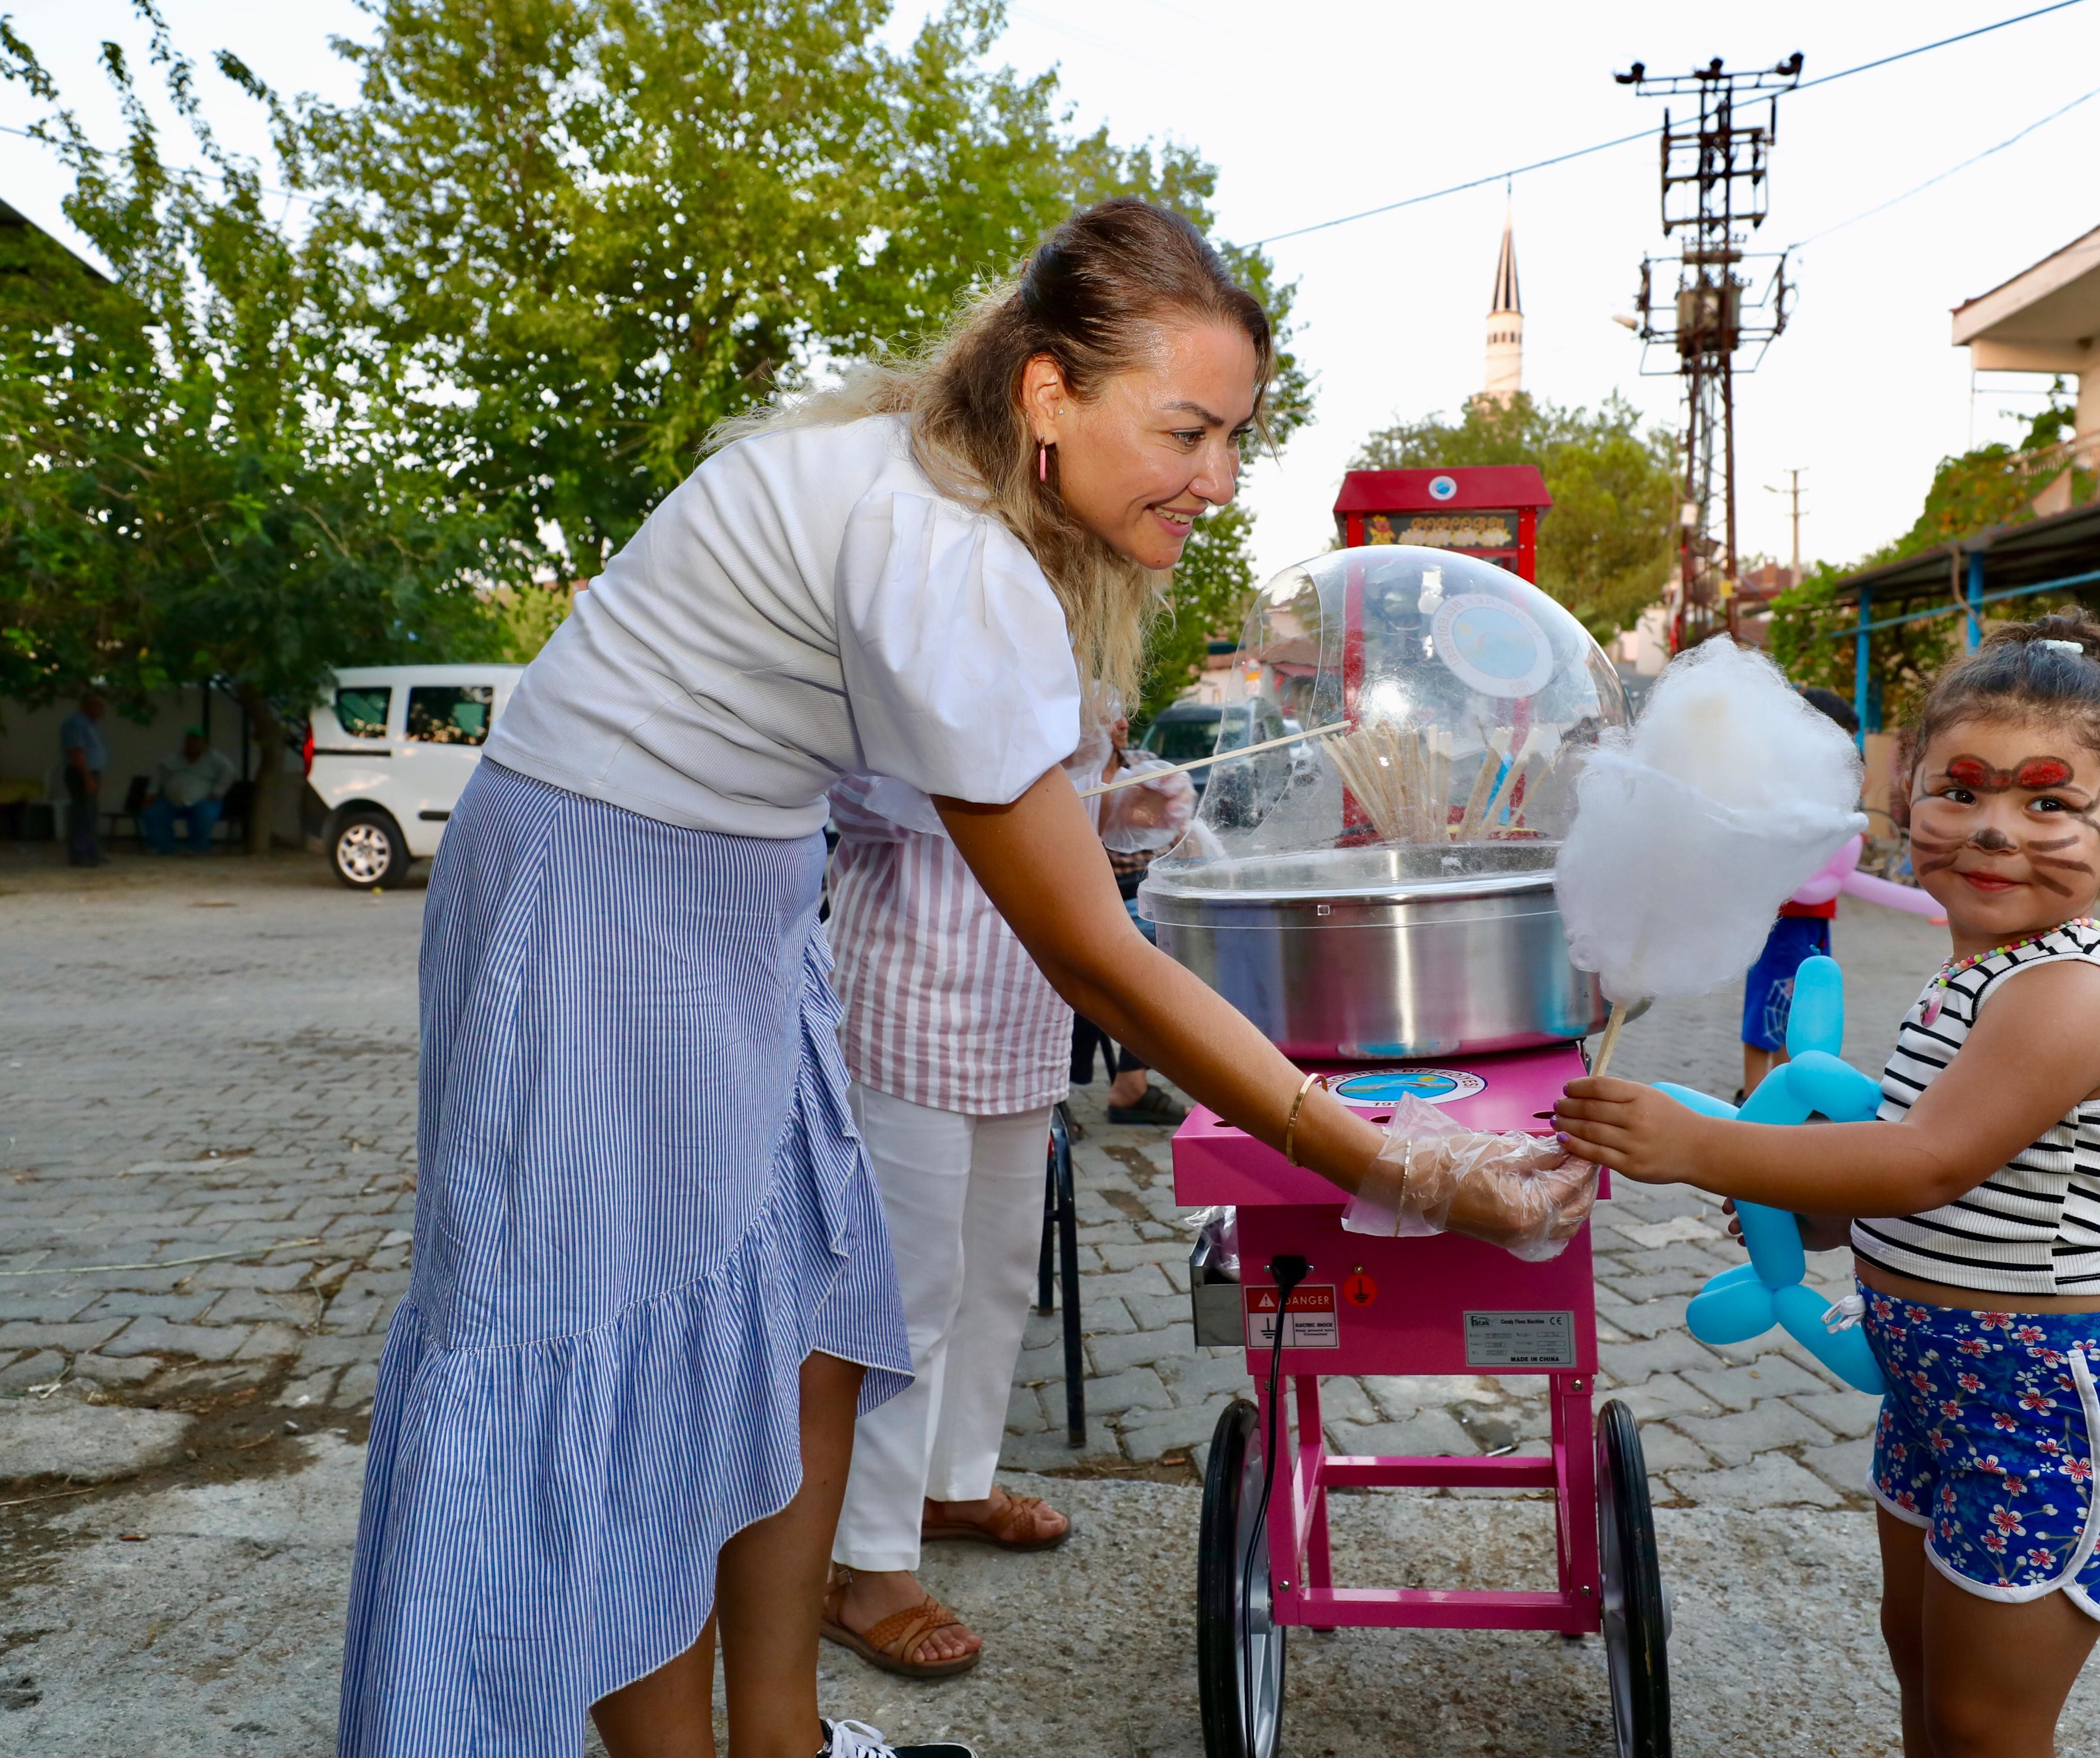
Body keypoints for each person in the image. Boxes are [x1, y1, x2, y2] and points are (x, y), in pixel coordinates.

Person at [336, 198, 1589, 1758]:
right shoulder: (948, 554)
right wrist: (1379, 1153)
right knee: (634, 1363)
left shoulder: (944, 488)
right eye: (1186, 432)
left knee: (803, 1319)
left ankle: (778, 1731)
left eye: (1234, 440)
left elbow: (919, 793)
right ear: (1047, 392)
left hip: (732, 894)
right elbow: (1094, 958)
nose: (1215, 480)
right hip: (604, 905)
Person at [1558, 615, 2100, 1758]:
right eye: (1960, 791)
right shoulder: (1974, 974)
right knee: (1926, 1669)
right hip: (1934, 1387)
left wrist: (1699, 1147)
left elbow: (1923, 1160)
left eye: (2050, 803)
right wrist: (1790, 1197)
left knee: (1988, 1722)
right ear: (1905, 799)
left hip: (2043, 1410)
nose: (1996, 828)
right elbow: (1892, 1187)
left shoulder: (2070, 995)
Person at [812, 708, 1188, 1680]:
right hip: (909, 990)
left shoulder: (1062, 642)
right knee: (909, 1290)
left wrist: (1116, 805)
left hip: (1021, 1003)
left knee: (999, 1271)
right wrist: (1032, 778)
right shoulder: (920, 598)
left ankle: (953, 1483)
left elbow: (1064, 830)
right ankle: (867, 1559)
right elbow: (857, 784)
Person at [1738, 686, 1861, 1098]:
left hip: (1813, 918)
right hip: (1784, 919)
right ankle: (1757, 1096)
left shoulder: (1821, 788)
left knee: (1804, 1006)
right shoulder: (1780, 787)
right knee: (1772, 1004)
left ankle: (1789, 1093)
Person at [1070, 714, 1194, 1124]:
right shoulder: (1071, 774)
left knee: (1178, 944)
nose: (1122, 722)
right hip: (1096, 896)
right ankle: (1085, 1085)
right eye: (1106, 714)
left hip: (1146, 890)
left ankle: (1131, 1080)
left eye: (1123, 711)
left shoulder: (1142, 763)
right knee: (1118, 956)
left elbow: (1177, 835)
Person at [141, 728, 238, 855]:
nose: (192, 744)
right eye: (189, 741)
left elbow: (230, 772)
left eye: (197, 741)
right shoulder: (175, 758)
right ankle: (162, 847)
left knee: (206, 814)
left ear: (206, 744)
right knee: (154, 812)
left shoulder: (215, 759)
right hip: (171, 801)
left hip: (204, 801)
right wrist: (151, 792)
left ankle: (197, 848)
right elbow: (158, 774)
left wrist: (218, 791)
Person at [59, 690, 109, 868]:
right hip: (81, 772)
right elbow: (77, 752)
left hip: (92, 772)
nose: (102, 710)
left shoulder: (92, 725)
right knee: (82, 813)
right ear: (86, 706)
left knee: (91, 813)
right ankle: (80, 855)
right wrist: (87, 778)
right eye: (98, 706)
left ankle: (91, 852)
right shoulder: (77, 723)